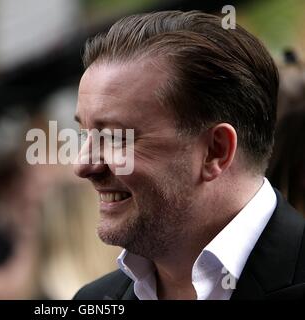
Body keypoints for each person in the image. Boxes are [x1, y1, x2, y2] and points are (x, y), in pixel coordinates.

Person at [72, 11, 305, 300]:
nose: (83, 165)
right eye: (84, 134)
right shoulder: (94, 300)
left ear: (215, 151)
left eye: (116, 138)